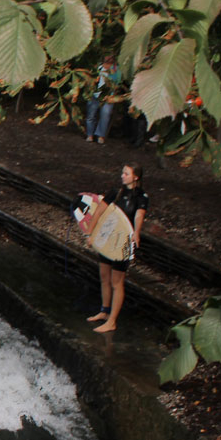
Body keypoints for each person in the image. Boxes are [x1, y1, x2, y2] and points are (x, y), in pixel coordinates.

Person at [83, 164, 148, 333]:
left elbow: (139, 215)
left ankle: (112, 321)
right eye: (122, 173)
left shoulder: (141, 196)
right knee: (104, 276)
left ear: (136, 177)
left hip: (123, 243)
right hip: (108, 239)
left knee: (116, 282)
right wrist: (90, 233)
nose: (122, 176)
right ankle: (104, 312)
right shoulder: (116, 192)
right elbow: (99, 212)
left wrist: (137, 233)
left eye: (126, 173)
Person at [86, 56, 122, 144]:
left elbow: (117, 84)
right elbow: (89, 80)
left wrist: (111, 95)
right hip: (94, 95)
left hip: (108, 97)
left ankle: (100, 136)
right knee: (91, 115)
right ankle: (89, 134)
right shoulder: (97, 68)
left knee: (105, 115)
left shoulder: (116, 70)